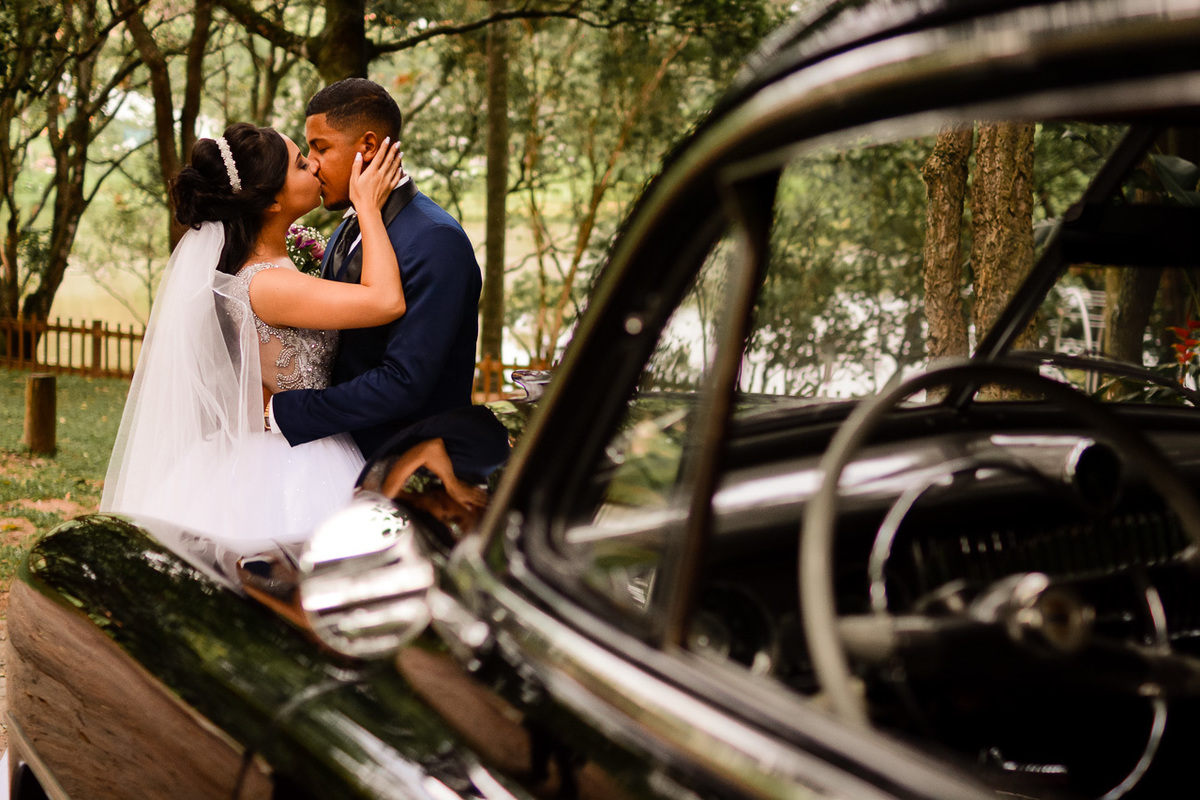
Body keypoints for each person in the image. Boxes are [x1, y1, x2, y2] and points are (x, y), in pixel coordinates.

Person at [101, 122, 405, 544]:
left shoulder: (263, 271)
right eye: (301, 164)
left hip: (284, 440)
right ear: (272, 201)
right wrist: (368, 207)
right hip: (295, 461)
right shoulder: (268, 285)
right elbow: (387, 302)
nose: (315, 167)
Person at [267, 78, 483, 461]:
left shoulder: (435, 239)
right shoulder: (347, 227)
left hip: (405, 466)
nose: (312, 163)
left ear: (367, 146)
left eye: (321, 147)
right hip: (340, 458)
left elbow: (403, 382)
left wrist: (283, 411)